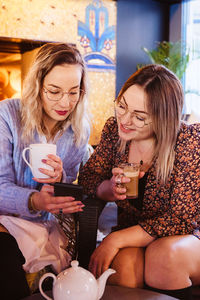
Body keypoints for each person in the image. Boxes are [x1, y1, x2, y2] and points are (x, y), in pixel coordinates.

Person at [78, 64, 200, 300]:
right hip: (137, 236)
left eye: (140, 116)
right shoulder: (115, 131)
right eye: (122, 106)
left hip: (189, 236)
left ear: (164, 118)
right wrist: (109, 190)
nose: (125, 119)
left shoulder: (189, 141)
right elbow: (89, 178)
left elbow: (180, 219)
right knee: (120, 267)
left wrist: (115, 238)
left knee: (164, 255)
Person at [0, 42, 90, 299]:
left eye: (74, 92)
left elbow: (67, 195)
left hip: (47, 227)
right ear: (37, 86)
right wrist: (35, 199)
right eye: (54, 91)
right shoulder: (7, 115)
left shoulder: (77, 132)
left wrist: (61, 181)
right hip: (6, 223)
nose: (65, 102)